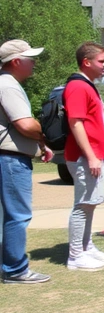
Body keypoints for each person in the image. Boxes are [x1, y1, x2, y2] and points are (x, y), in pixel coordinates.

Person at [0, 40, 54, 284]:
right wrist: (42, 134)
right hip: (10, 159)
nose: (34, 63)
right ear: (15, 62)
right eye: (29, 58)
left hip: (8, 157)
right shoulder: (8, 85)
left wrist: (39, 143)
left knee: (8, 215)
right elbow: (25, 124)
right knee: (18, 215)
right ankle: (15, 270)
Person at [65, 41, 104, 272]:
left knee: (91, 203)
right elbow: (76, 122)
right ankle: (76, 255)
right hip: (84, 157)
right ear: (86, 62)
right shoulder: (78, 86)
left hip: (92, 156)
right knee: (83, 204)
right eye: (101, 61)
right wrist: (91, 156)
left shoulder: (88, 86)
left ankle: (86, 247)